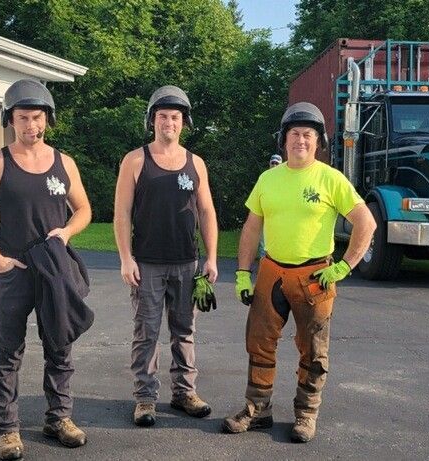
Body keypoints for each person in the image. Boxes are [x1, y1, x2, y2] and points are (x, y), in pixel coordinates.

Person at [222, 102, 376, 443]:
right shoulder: (268, 179)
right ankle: (257, 409)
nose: (301, 141)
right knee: (259, 344)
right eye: (294, 134)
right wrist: (242, 273)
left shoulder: (331, 179)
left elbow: (366, 222)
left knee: (313, 350)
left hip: (314, 278)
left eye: (308, 135)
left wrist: (345, 265)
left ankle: (306, 414)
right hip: (271, 273)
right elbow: (251, 228)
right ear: (283, 140)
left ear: (319, 141)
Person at [0, 79, 93, 460]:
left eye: (37, 117)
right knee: (6, 351)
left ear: (47, 119)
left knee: (60, 347)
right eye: (23, 118)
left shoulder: (64, 162)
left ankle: (59, 418)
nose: (31, 125)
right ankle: (7, 430)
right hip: (15, 270)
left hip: (55, 270)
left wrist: (67, 231)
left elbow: (84, 209)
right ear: (10, 120)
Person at [113, 85, 219, 427]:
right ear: (152, 121)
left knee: (184, 331)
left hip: (187, 263)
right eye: (162, 117)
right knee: (146, 332)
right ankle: (145, 399)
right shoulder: (135, 160)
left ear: (184, 122)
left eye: (175, 117)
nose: (169, 123)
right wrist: (125, 258)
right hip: (145, 262)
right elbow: (121, 214)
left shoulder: (196, 163)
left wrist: (212, 258)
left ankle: (184, 392)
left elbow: (207, 212)